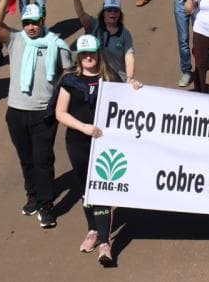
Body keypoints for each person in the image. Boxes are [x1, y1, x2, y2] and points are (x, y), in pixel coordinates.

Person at [55, 35, 139, 265]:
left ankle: (104, 242)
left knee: (100, 189)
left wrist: (134, 87)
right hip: (78, 143)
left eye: (91, 52)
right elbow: (60, 113)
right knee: (87, 190)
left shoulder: (110, 78)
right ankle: (93, 229)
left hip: (104, 144)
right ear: (78, 56)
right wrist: (84, 127)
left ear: (98, 53)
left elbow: (128, 102)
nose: (88, 57)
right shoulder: (70, 80)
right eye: (84, 53)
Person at [0, 0, 72, 228]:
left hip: (43, 113)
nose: (30, 27)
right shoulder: (15, 40)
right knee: (26, 159)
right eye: (26, 23)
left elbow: (68, 74)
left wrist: (58, 100)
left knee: (42, 159)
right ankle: (33, 196)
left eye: (34, 22)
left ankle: (46, 205)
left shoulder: (57, 45)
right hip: (16, 112)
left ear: (42, 21)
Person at [71, 0, 136, 82]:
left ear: (120, 14)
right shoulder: (93, 25)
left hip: (115, 79)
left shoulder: (125, 34)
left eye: (116, 11)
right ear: (103, 13)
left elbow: (129, 57)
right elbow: (81, 13)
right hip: (92, 75)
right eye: (109, 10)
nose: (112, 14)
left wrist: (130, 78)